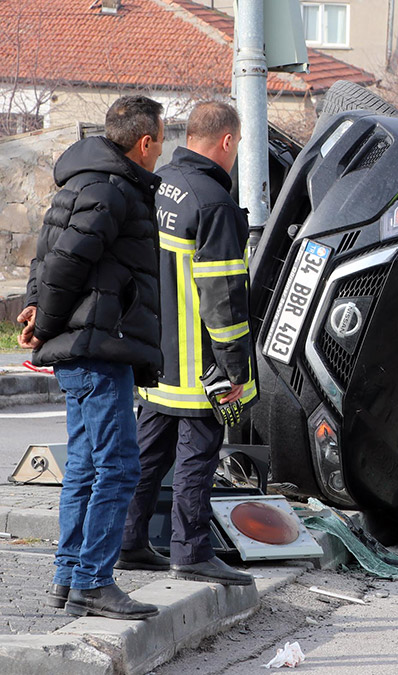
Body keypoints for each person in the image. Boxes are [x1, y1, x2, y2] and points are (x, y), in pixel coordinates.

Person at [19, 95, 165, 620]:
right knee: (120, 466)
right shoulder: (111, 188)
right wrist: (46, 324)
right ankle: (93, 581)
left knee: (83, 465)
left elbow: (44, 256)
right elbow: (63, 264)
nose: (159, 153)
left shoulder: (82, 180)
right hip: (98, 347)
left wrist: (36, 308)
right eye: (160, 142)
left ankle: (68, 576)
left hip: (92, 346)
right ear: (145, 143)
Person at [118, 101, 256, 586]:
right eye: (237, 146)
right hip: (202, 364)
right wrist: (235, 368)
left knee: (147, 455)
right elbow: (222, 294)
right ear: (226, 141)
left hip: (157, 359)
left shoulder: (162, 186)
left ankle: (128, 542)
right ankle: (191, 552)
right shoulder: (212, 202)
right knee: (197, 456)